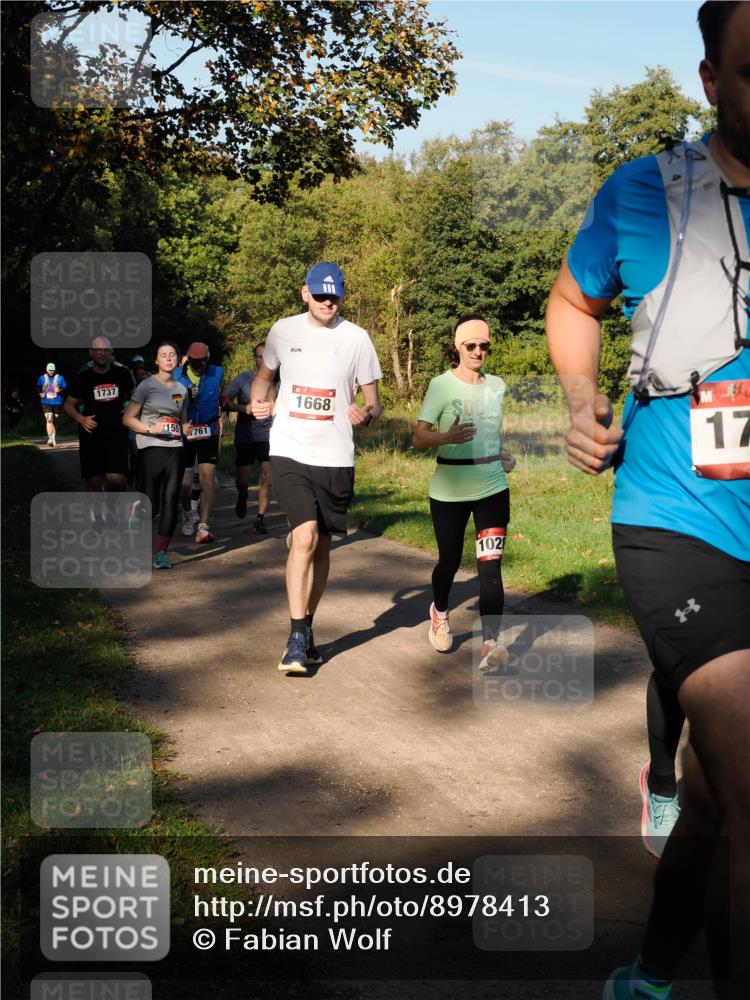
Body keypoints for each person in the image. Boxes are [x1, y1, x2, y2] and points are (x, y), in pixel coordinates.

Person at [545, 3, 749, 997]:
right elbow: (572, 301)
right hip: (681, 521)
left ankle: (649, 976)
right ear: (711, 81)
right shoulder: (647, 194)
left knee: (716, 807)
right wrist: (582, 401)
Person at [251, 262, 383, 674]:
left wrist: (367, 413)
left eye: (335, 295)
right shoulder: (282, 331)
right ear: (304, 293)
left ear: (342, 296)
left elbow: (373, 400)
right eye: (320, 294)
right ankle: (293, 637)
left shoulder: (357, 339)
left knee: (322, 545)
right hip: (289, 448)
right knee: (304, 537)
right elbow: (263, 377)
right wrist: (259, 401)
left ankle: (307, 627)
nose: (328, 301)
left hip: (335, 456)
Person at [413, 314, 516, 671]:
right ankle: (439, 613)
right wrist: (446, 438)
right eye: (470, 345)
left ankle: (491, 644)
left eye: (484, 345)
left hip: (492, 487)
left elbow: (492, 430)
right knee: (450, 562)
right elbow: (419, 436)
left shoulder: (498, 385)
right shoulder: (440, 385)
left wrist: (502, 454)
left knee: (490, 569)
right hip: (449, 490)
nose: (478, 351)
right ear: (458, 347)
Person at [123, 342, 188, 569]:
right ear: (157, 361)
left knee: (171, 500)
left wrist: (185, 428)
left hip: (175, 447)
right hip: (150, 447)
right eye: (164, 355)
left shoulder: (182, 389)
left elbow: (181, 420)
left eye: (172, 355)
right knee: (152, 505)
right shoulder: (146, 386)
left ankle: (160, 553)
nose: (169, 359)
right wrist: (151, 429)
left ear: (178, 359)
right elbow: (128, 418)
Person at [63, 338, 132, 505]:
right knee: (93, 480)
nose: (102, 353)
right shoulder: (83, 378)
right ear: (91, 352)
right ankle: (99, 523)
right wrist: (81, 419)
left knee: (116, 479)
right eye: (98, 350)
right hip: (91, 434)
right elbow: (68, 405)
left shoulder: (122, 374)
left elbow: (135, 397)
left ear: (111, 353)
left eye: (106, 350)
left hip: (116, 433)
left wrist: (129, 411)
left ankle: (109, 499)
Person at [174, 342, 224, 544]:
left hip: (208, 430)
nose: (199, 366)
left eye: (202, 361)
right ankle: (187, 513)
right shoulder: (177, 375)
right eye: (195, 362)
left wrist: (226, 400)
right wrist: (184, 397)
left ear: (207, 359)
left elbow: (221, 395)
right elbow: (169, 400)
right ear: (188, 359)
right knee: (184, 484)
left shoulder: (217, 372)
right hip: (185, 432)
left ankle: (203, 526)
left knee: (207, 480)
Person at [224, 342, 276, 533]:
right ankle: (243, 494)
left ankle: (260, 518)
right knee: (243, 480)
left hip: (269, 435)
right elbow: (225, 401)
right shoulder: (243, 379)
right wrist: (242, 408)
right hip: (245, 435)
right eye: (259, 356)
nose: (262, 360)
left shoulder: (280, 380)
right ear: (254, 358)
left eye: (266, 356)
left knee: (267, 477)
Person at [37, 362, 67, 446]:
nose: (51, 372)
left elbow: (66, 387)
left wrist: (60, 390)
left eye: (52, 370)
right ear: (46, 369)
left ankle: (53, 436)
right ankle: (51, 439)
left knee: (55, 420)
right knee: (49, 418)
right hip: (46, 401)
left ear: (55, 370)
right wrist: (40, 393)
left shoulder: (60, 378)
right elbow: (38, 387)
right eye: (49, 370)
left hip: (57, 402)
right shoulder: (42, 378)